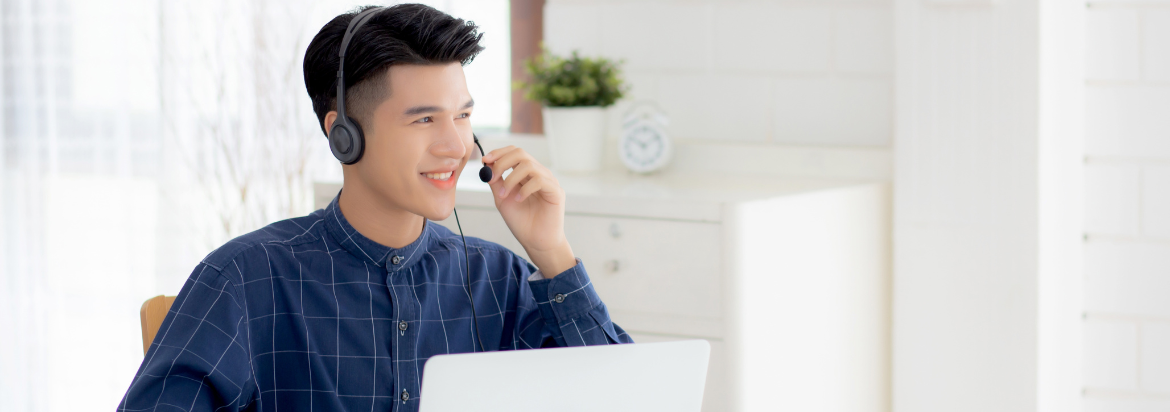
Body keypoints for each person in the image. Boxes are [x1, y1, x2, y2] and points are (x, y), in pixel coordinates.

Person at [118, 4, 632, 411]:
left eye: (463, 115)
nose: (456, 145)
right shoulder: (246, 278)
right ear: (344, 135)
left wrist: (552, 252)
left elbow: (625, 399)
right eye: (424, 120)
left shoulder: (498, 278)